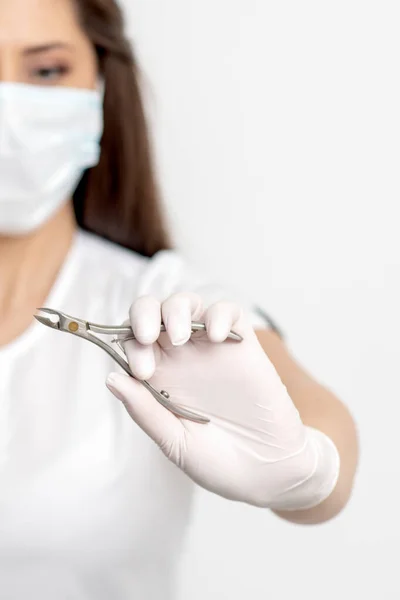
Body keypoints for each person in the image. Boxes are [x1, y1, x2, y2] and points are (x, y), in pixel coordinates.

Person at [0, 0, 359, 598]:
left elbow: (324, 425)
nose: (6, 106)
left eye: (44, 72)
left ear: (102, 85)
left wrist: (306, 472)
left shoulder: (163, 306)